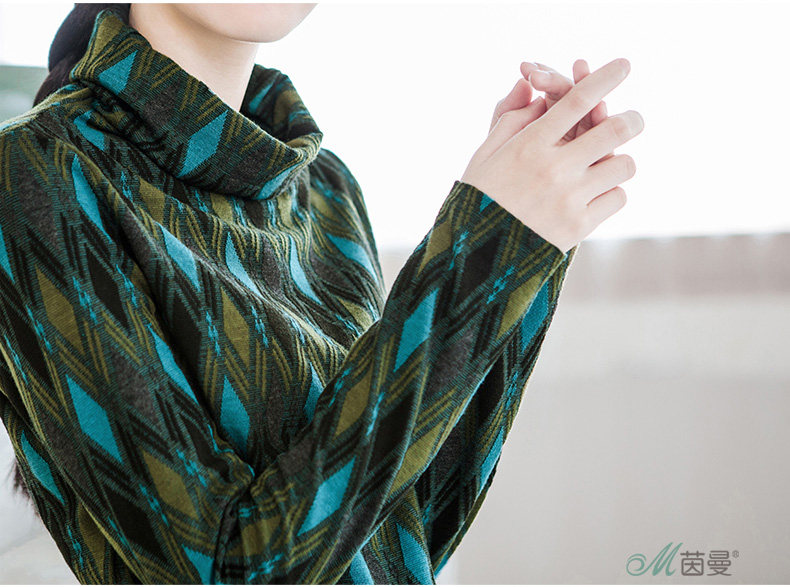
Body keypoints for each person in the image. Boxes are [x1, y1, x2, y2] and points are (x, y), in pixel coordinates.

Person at [0, 3, 642, 584]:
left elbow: (405, 531)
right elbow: (225, 573)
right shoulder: (37, 167)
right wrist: (479, 255)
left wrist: (524, 243)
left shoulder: (328, 188)